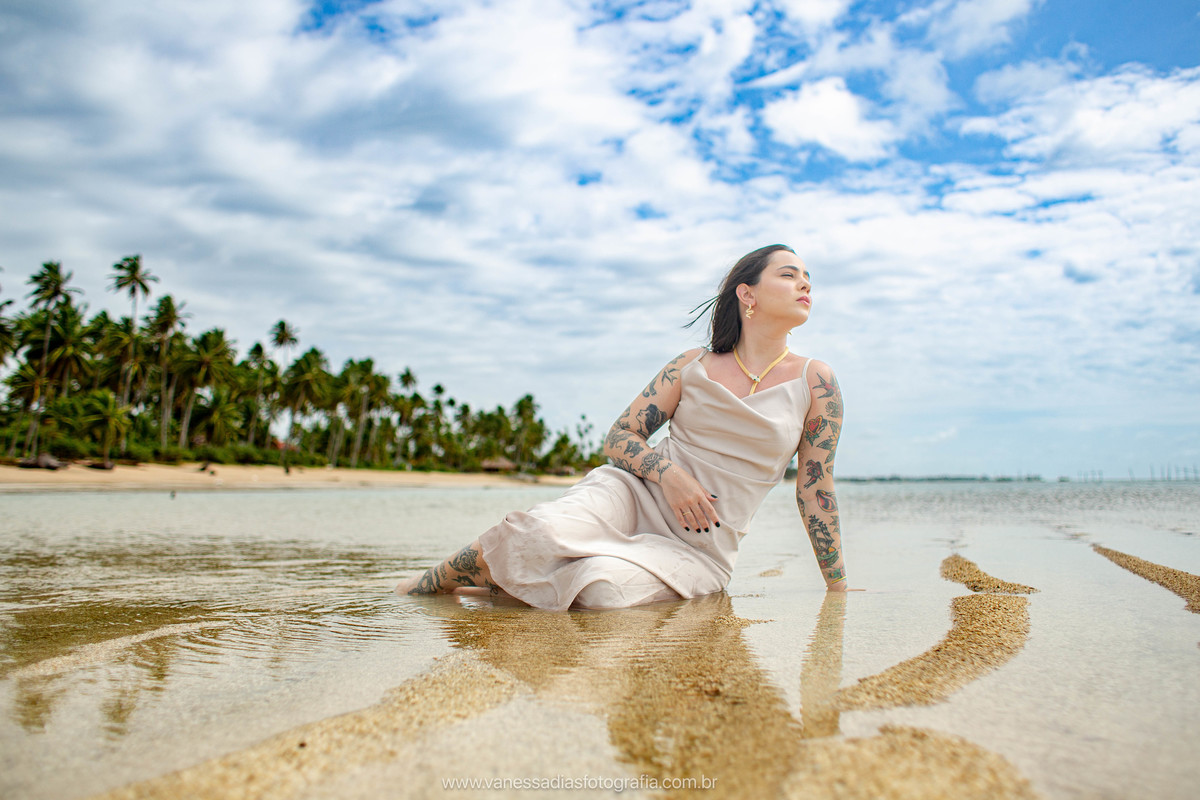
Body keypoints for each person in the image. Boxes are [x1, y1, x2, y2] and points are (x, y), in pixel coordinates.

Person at [395, 244, 848, 610]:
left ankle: (499, 588)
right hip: (632, 494)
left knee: (602, 593)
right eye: (789, 274)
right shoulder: (691, 366)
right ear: (746, 294)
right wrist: (670, 476)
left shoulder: (816, 382)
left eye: (807, 277)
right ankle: (425, 588)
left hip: (701, 547)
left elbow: (815, 490)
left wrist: (838, 590)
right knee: (538, 530)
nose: (804, 282)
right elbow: (619, 437)